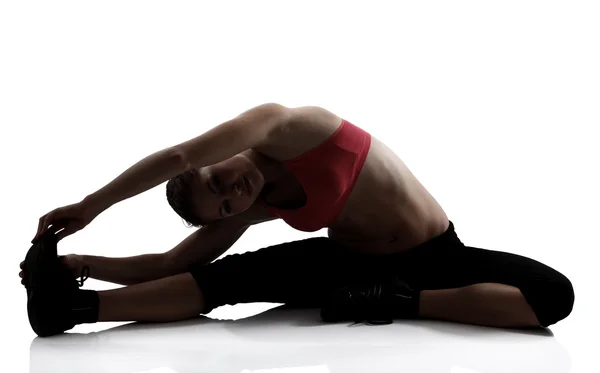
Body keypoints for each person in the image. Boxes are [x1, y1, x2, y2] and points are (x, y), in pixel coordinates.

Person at [21, 103, 574, 337]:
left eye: (218, 181)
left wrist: (89, 207)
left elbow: (178, 159)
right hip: (346, 266)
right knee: (226, 279)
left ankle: (399, 301)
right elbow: (174, 261)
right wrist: (75, 262)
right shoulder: (258, 203)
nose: (231, 193)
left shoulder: (290, 127)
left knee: (553, 295)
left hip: (433, 256)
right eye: (226, 206)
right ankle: (75, 307)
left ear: (221, 154)